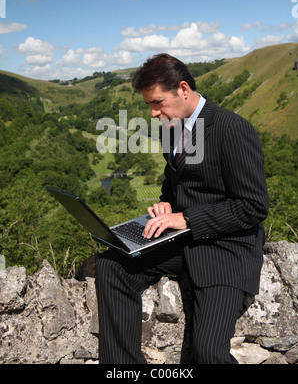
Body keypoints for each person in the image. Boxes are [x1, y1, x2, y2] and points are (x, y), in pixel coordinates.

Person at [95, 53, 269, 364]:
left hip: (226, 247)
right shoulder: (171, 127)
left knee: (208, 353)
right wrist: (167, 204)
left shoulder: (231, 128)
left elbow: (253, 206)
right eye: (149, 104)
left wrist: (186, 217)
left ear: (184, 89)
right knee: (112, 265)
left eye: (158, 102)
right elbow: (175, 183)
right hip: (183, 239)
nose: (153, 112)